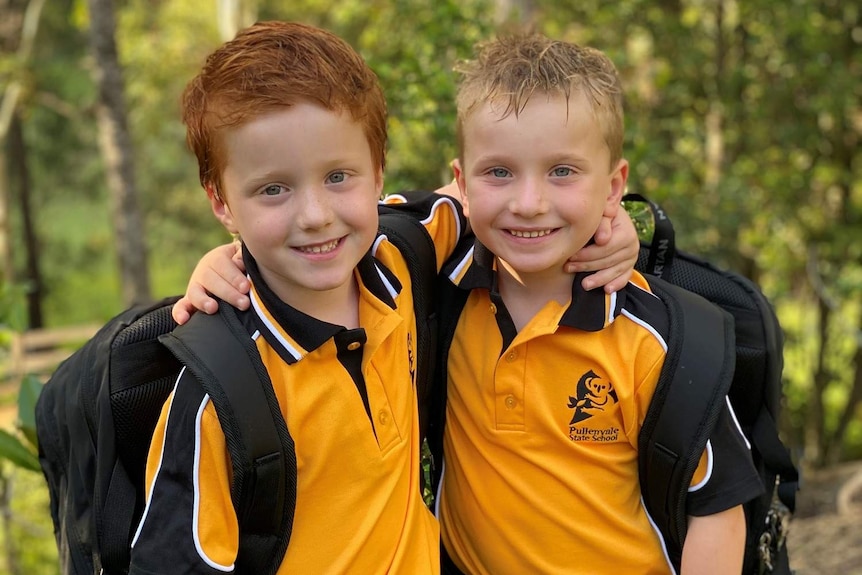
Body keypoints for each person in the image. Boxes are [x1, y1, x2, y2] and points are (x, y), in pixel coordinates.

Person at [177, 33, 761, 575]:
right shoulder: (444, 284)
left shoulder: (654, 337)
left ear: (613, 187)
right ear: (464, 181)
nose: (529, 203)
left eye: (562, 172)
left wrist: (615, 229)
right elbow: (331, 227)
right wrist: (229, 257)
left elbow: (714, 500)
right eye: (500, 173)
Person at [128, 21, 468, 574]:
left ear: (377, 172)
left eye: (338, 177)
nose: (315, 216)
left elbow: (493, 200)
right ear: (221, 202)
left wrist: (607, 224)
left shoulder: (401, 255)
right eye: (273, 189)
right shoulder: (221, 393)